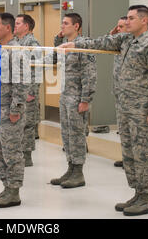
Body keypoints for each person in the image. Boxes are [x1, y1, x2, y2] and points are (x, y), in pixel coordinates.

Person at [60, 5, 148, 216]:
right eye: (126, 18)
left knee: (144, 154)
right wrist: (75, 43)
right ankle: (137, 193)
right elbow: (101, 42)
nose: (125, 22)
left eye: (130, 19)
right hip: (125, 108)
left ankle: (146, 197)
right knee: (129, 154)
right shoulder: (126, 40)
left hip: (142, 111)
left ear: (144, 20)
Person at [0, 13, 29, 208]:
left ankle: (14, 191)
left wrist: (16, 109)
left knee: (12, 152)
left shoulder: (17, 51)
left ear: (8, 28)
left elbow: (21, 82)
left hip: (9, 110)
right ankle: (6, 187)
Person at [48, 13, 97, 188]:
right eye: (61, 23)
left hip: (77, 98)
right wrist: (57, 39)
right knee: (67, 135)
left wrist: (85, 99)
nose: (62, 26)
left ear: (76, 26)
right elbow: (53, 58)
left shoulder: (83, 45)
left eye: (66, 23)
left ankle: (78, 173)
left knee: (76, 136)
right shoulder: (65, 46)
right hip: (65, 96)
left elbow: (90, 75)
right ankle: (70, 168)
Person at [14, 14, 42, 167]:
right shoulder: (17, 41)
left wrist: (31, 92)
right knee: (19, 123)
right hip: (18, 90)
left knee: (28, 124)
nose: (15, 25)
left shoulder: (32, 43)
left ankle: (27, 156)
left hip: (27, 91)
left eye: (18, 23)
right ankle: (19, 152)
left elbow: (37, 69)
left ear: (26, 26)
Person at [110, 16, 127, 168]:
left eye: (122, 26)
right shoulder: (119, 44)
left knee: (131, 131)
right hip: (119, 94)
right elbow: (108, 42)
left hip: (131, 96)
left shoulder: (131, 45)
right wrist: (114, 31)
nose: (118, 29)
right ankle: (126, 156)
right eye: (118, 26)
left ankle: (132, 159)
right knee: (122, 129)